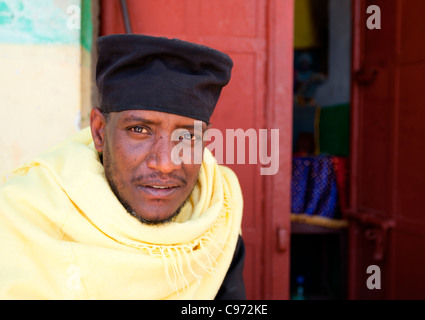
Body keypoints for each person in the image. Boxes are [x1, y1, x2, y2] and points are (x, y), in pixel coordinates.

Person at [0, 34, 245, 300]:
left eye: (187, 136)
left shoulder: (216, 212)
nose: (164, 163)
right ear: (99, 131)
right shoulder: (22, 216)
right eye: (139, 130)